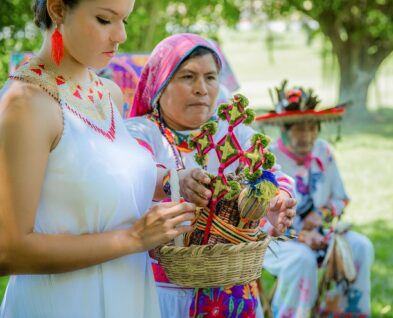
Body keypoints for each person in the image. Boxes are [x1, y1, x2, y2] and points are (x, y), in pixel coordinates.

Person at [0, 1, 207, 317]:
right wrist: (134, 238)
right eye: (104, 19)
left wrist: (172, 182)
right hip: (64, 305)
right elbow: (7, 250)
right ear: (57, 9)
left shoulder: (108, 93)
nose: (121, 35)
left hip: (130, 298)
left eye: (125, 19)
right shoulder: (26, 104)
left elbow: (105, 176)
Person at [125, 33, 297, 317]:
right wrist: (175, 181)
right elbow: (136, 171)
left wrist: (276, 200)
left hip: (230, 294)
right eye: (188, 77)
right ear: (161, 82)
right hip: (160, 296)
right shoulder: (141, 131)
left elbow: (274, 174)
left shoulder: (233, 133)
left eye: (211, 77)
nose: (201, 89)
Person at [256, 85, 374, 318]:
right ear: (284, 128)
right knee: (302, 259)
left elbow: (341, 199)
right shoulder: (267, 159)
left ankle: (342, 313)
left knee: (361, 247)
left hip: (321, 234)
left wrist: (322, 215)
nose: (307, 136)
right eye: (299, 129)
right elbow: (256, 217)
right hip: (277, 241)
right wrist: (300, 236)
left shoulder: (324, 152)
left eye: (312, 128)